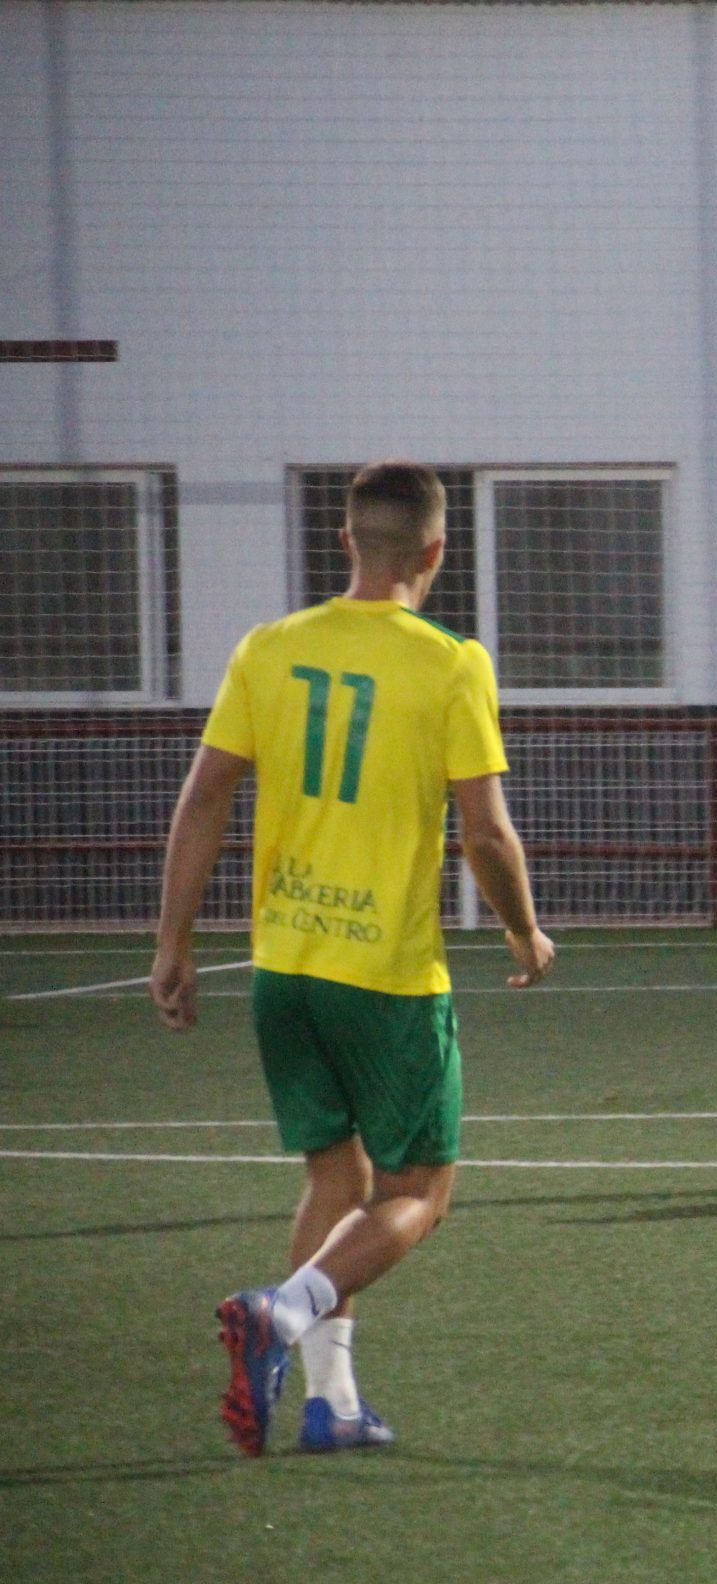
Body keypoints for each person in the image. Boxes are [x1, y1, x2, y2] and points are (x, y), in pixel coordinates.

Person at [151, 460, 555, 1457]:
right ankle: (283, 1312)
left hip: (283, 969)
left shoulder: (270, 648)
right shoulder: (450, 662)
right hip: (385, 977)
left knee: (337, 1176)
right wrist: (523, 930)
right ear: (436, 551)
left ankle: (330, 1404)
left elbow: (203, 797)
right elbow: (486, 833)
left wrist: (174, 941)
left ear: (345, 542)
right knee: (419, 1191)